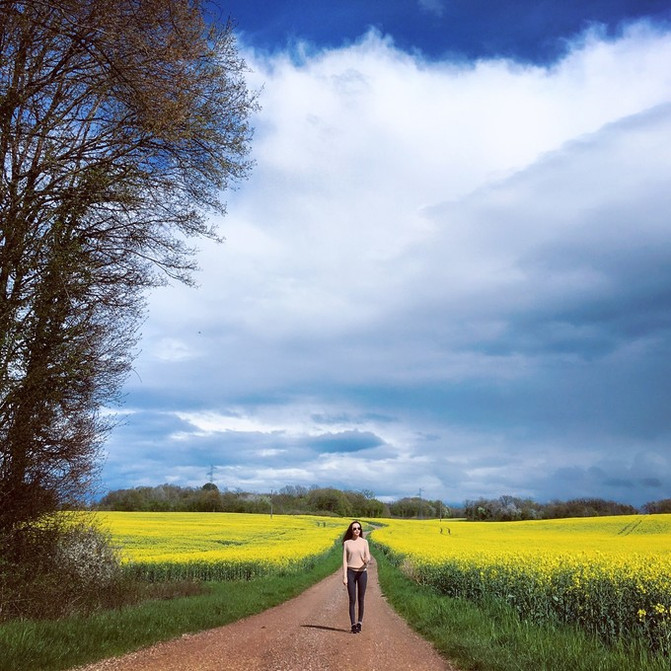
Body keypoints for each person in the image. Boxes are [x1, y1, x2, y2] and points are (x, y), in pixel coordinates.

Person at [342, 520, 371, 633]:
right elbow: (344, 560)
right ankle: (353, 624)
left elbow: (368, 556)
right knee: (352, 599)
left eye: (358, 528)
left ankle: (359, 623)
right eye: (354, 528)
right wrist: (344, 576)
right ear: (351, 530)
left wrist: (366, 560)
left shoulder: (364, 542)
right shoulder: (347, 543)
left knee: (361, 599)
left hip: (362, 572)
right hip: (350, 572)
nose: (357, 530)